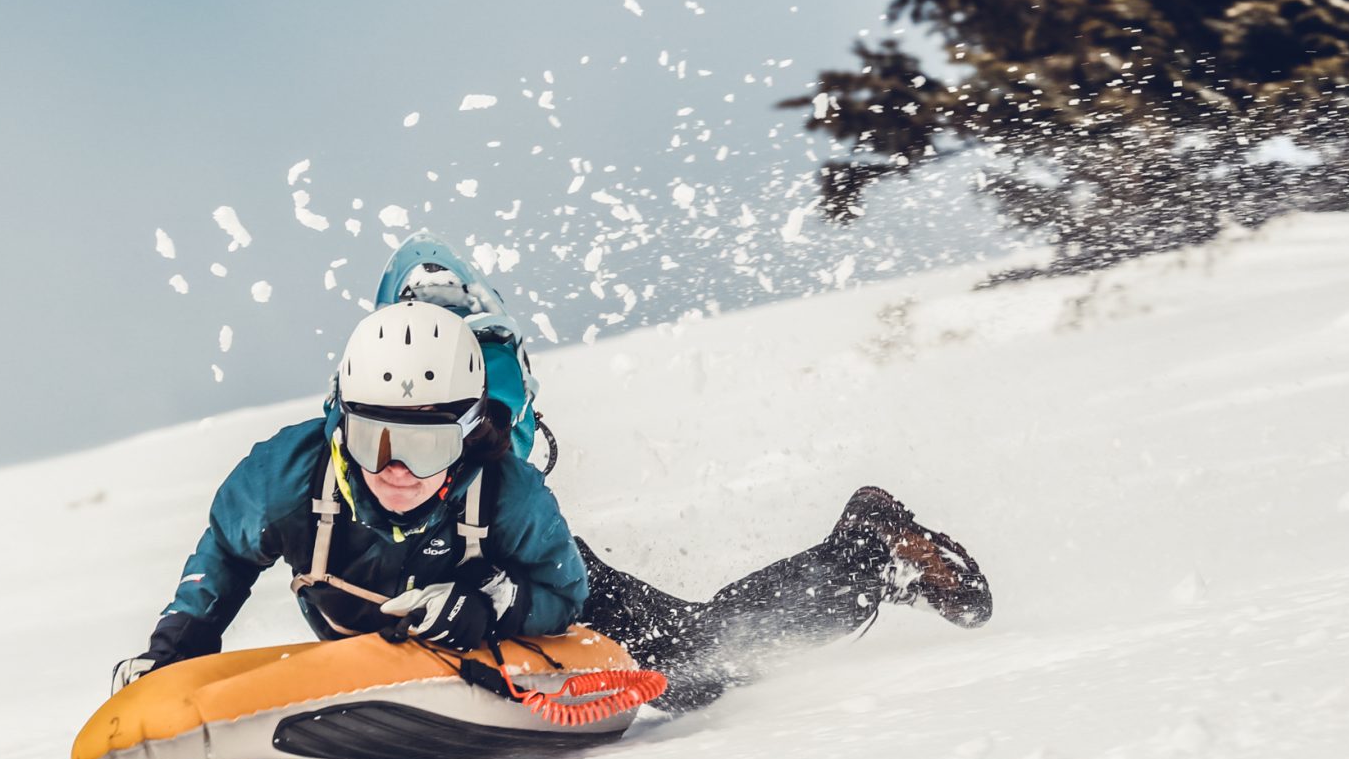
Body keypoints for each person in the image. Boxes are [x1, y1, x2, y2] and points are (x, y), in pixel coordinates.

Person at [117, 272, 992, 711]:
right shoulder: (286, 474)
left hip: (539, 591)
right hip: (405, 631)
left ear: (466, 434)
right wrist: (177, 645)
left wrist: (493, 605)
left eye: (424, 442)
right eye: (373, 434)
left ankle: (868, 551)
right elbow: (224, 554)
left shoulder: (505, 490)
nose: (394, 467)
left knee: (699, 666)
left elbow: (564, 587)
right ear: (339, 417)